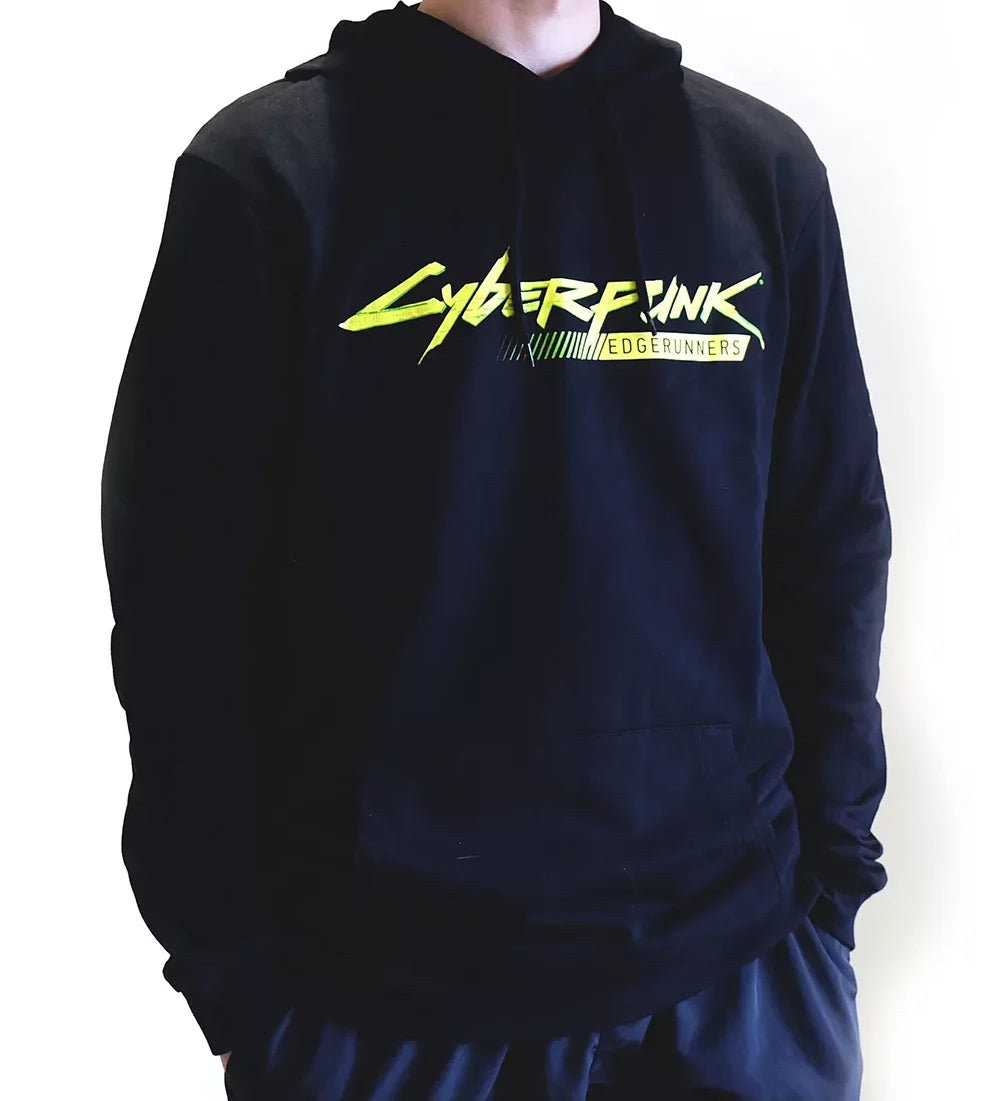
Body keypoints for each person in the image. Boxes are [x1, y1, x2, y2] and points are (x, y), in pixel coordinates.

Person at [99, 1, 892, 1097]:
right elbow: (179, 598)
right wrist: (230, 969)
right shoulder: (269, 173)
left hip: (738, 977)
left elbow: (831, 536)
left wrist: (835, 883)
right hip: (378, 1003)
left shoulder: (757, 170)